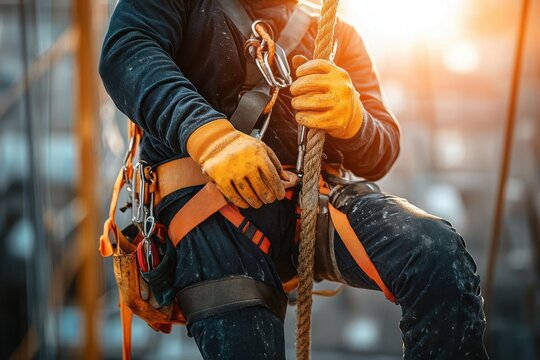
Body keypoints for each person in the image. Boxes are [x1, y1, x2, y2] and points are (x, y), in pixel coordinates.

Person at [99, 0, 488, 358]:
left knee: (436, 255)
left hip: (314, 206)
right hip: (211, 216)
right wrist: (209, 137)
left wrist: (355, 122)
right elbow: (127, 52)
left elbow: (381, 151)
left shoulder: (336, 35)